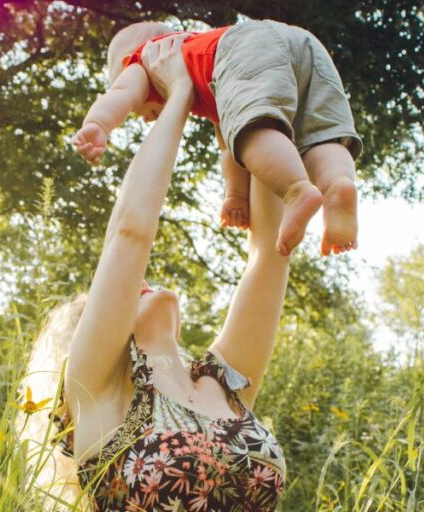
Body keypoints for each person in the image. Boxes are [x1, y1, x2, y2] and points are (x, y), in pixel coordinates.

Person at [20, 35, 291, 511]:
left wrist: (250, 102)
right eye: (114, 298)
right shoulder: (97, 389)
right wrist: (180, 94)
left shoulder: (220, 384)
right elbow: (131, 232)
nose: (137, 283)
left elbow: (270, 254)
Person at [73, 19, 363, 258]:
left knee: (253, 132)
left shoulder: (146, 60)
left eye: (141, 112)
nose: (146, 117)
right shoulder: (210, 71)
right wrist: (236, 195)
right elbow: (229, 143)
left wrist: (98, 123)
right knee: (320, 135)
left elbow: (121, 94)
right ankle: (337, 186)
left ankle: (297, 190)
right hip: (304, 44)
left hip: (247, 45)